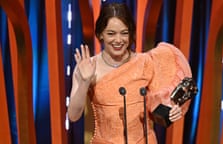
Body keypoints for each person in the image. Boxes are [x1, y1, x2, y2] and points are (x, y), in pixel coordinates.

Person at [67, 2, 192, 144]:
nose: (118, 40)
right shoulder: (87, 68)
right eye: (111, 34)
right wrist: (84, 82)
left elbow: (156, 105)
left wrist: (171, 110)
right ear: (100, 34)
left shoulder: (146, 62)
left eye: (124, 33)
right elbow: (73, 116)